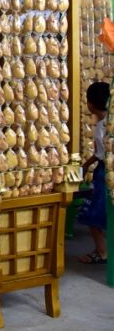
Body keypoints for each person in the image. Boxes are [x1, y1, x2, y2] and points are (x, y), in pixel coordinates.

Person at [78, 81, 109, 264]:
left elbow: (100, 155)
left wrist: (85, 165)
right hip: (105, 170)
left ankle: (102, 252)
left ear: (90, 104)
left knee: (92, 215)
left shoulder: (101, 127)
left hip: (105, 173)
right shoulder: (108, 123)